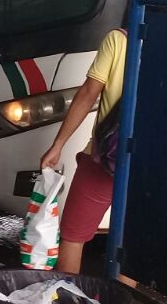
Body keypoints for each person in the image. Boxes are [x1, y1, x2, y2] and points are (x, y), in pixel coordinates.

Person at [39, 27, 126, 274]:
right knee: (131, 244)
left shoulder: (119, 39)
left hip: (104, 159)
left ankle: (67, 301)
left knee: (73, 235)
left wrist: (58, 145)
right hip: (149, 166)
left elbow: (89, 93)